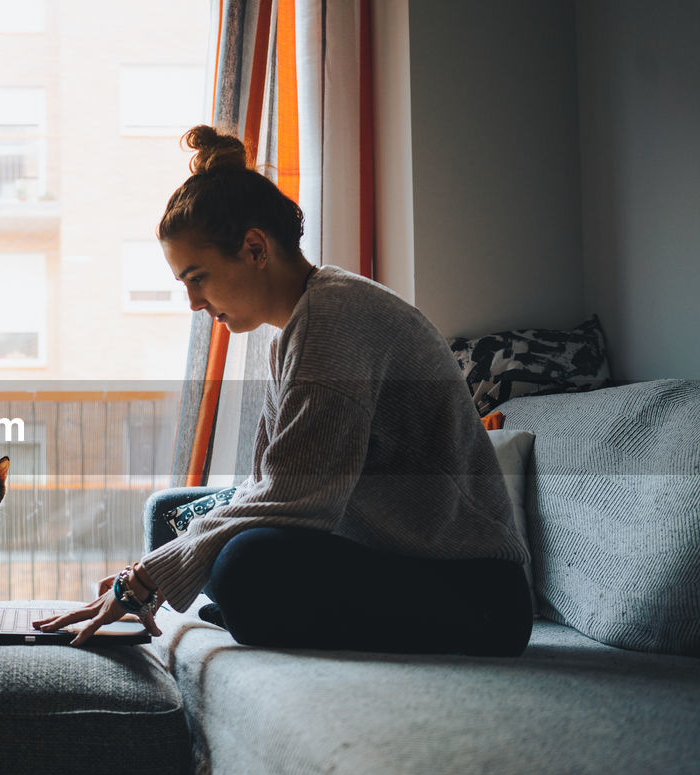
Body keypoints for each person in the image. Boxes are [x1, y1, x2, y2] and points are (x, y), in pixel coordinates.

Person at [36, 125, 532, 655]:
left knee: (246, 567)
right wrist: (149, 571)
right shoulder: (303, 325)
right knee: (172, 520)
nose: (194, 304)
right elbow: (267, 483)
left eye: (197, 277)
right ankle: (239, 608)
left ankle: (240, 607)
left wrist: (143, 580)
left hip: (474, 592)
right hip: (394, 556)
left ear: (254, 248)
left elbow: (294, 499)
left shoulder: (334, 319)